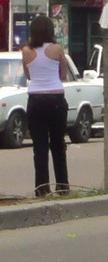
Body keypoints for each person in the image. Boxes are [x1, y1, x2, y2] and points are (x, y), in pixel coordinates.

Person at [21, 14, 70, 197]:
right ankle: (63, 186)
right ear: (50, 30)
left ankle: (42, 188)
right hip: (56, 98)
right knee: (58, 144)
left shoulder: (26, 50)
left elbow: (28, 75)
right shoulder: (57, 48)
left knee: (39, 146)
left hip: (35, 99)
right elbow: (63, 73)